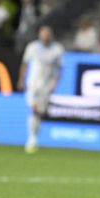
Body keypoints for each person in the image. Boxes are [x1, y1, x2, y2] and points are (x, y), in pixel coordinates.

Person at [17, 25, 63, 154]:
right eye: (44, 33)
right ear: (39, 35)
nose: (46, 36)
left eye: (48, 34)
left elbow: (59, 69)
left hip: (46, 86)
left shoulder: (57, 50)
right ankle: (31, 139)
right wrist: (21, 80)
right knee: (34, 108)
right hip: (33, 84)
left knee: (38, 113)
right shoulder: (32, 47)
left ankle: (33, 137)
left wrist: (55, 84)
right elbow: (25, 64)